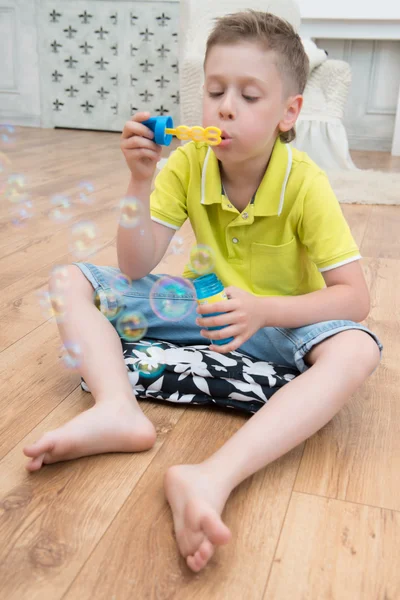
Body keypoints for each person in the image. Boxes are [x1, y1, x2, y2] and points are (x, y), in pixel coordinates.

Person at [24, 11, 382, 572]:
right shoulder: (188, 162)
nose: (225, 107)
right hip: (204, 311)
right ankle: (117, 409)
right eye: (215, 90)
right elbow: (135, 263)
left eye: (248, 95)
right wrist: (140, 180)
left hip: (282, 324)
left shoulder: (305, 183)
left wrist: (265, 309)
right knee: (68, 279)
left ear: (290, 113)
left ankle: (213, 475)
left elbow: (353, 297)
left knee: (358, 347)